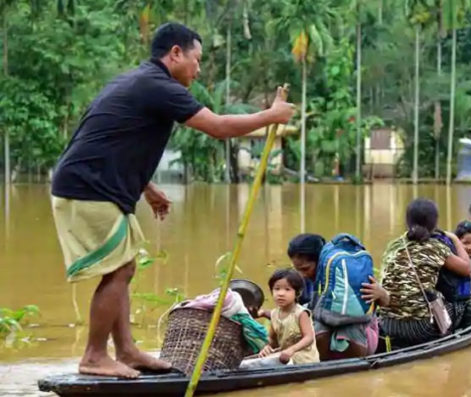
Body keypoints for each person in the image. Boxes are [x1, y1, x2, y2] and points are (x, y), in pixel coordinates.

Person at [50, 22, 295, 378]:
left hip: (95, 184)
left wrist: (148, 189)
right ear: (175, 53)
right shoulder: (159, 86)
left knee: (125, 267)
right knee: (117, 270)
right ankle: (93, 356)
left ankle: (127, 350)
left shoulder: (137, 81)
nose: (198, 69)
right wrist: (271, 116)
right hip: (88, 188)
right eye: (195, 59)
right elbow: (218, 127)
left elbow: (112, 140)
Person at [378, 198, 471, 348]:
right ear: (434, 223)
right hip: (420, 328)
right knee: (461, 303)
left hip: (388, 325)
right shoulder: (436, 247)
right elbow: (467, 269)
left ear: (407, 221)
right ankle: (446, 333)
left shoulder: (393, 246)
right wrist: (455, 239)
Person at [287, 233, 384, 359]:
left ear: (322, 262)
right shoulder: (299, 284)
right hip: (322, 341)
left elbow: (387, 303)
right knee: (317, 327)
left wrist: (381, 294)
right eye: (297, 269)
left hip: (359, 340)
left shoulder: (349, 277)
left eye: (305, 269)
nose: (302, 275)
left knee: (346, 330)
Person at [258, 269, 320, 365]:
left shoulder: (301, 313)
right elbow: (272, 339)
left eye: (287, 289)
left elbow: (308, 337)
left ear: (297, 293)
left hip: (305, 360)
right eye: (277, 289)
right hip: (286, 360)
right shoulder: (274, 314)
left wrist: (292, 350)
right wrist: (267, 347)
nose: (281, 294)